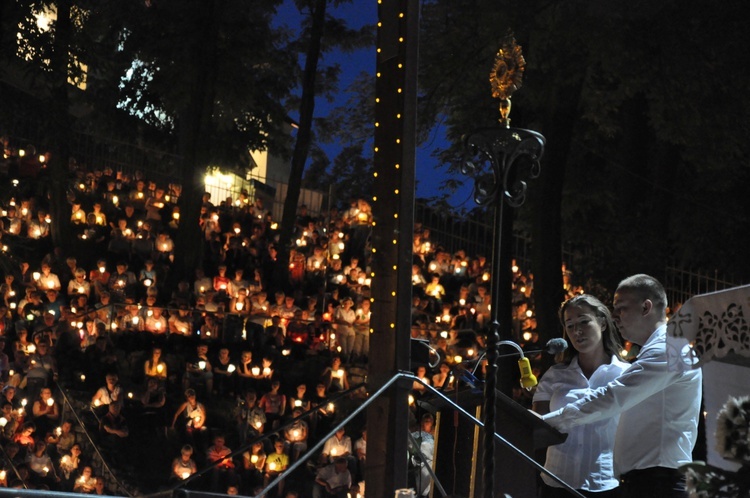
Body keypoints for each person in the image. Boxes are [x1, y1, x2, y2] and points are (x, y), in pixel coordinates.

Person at [542, 275, 703, 498]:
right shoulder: (661, 348)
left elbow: (613, 396)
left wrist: (548, 423)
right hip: (649, 481)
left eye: (621, 308)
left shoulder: (669, 349)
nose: (615, 316)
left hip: (660, 483)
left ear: (646, 307)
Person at [532, 294, 629, 498]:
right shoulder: (555, 375)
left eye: (584, 321)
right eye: (570, 325)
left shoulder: (625, 374)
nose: (577, 331)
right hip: (556, 482)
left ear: (602, 323)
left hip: (605, 484)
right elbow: (537, 427)